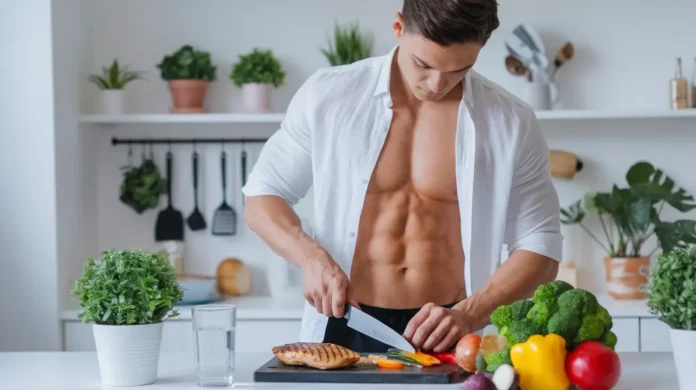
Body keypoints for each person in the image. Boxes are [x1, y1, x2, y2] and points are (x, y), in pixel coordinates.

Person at [241, 0, 562, 354]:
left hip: (451, 330)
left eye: (460, 69)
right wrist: (311, 258)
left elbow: (541, 244)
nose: (437, 84)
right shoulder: (329, 95)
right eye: (423, 64)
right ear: (398, 27)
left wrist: (471, 313)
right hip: (343, 322)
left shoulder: (511, 121)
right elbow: (262, 195)